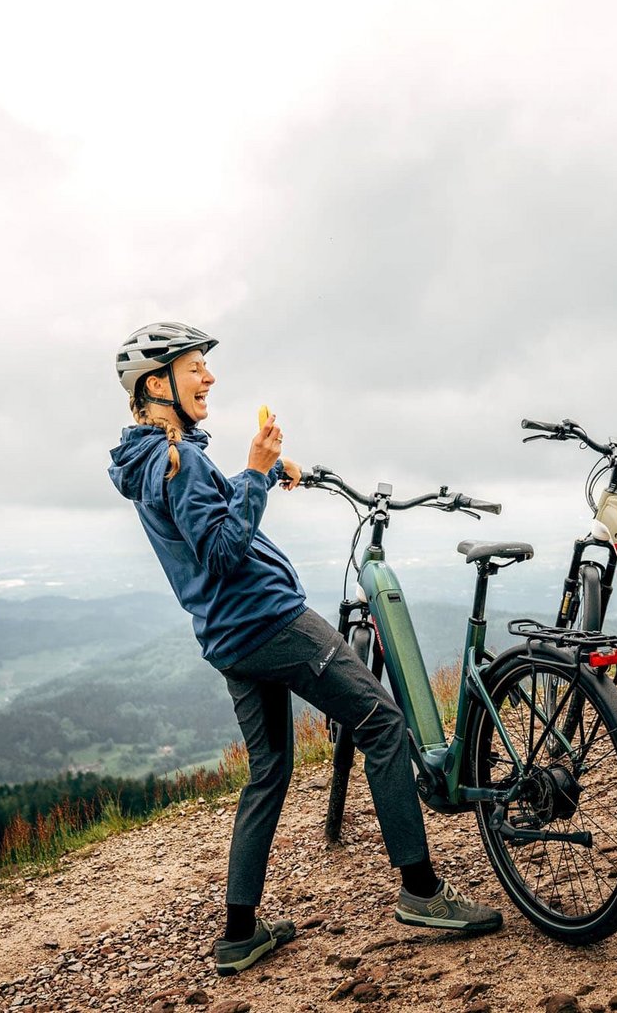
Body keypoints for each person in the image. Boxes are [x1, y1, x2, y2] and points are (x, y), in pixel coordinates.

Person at [106, 322, 501, 977]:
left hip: (228, 638)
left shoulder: (156, 459)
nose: (209, 378)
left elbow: (198, 512)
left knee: (269, 772)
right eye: (195, 366)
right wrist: (258, 476)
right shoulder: (181, 459)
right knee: (383, 723)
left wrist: (251, 474)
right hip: (270, 621)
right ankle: (423, 892)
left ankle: (240, 933)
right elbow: (223, 551)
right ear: (157, 382)